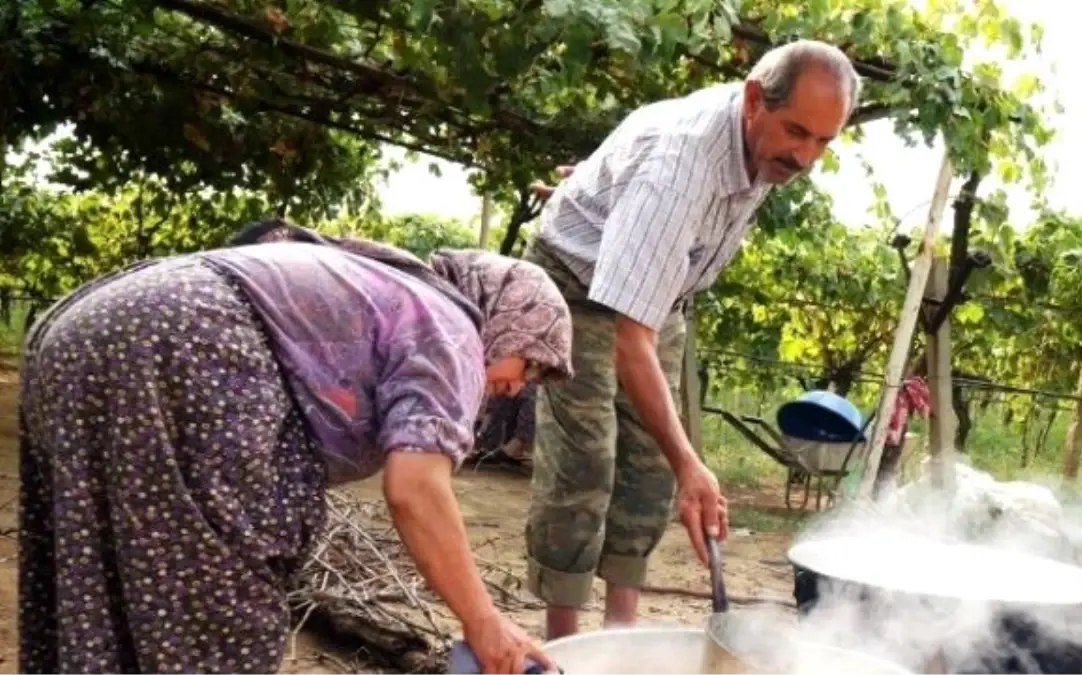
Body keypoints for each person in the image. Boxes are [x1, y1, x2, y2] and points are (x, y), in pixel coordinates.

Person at [18, 220, 573, 675]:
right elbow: (415, 488)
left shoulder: (386, 285)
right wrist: (483, 620)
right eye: (530, 361)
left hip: (78, 328)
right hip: (182, 344)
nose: (519, 386)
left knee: (101, 574)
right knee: (221, 606)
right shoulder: (450, 329)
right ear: (510, 318)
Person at [522, 39, 860, 638]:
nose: (806, 156)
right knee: (586, 462)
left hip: (657, 295)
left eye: (823, 142)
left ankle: (623, 637)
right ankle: (568, 646)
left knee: (650, 462)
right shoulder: (681, 163)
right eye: (797, 133)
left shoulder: (764, 146)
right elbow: (631, 341)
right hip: (573, 285)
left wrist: (677, 462)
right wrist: (693, 466)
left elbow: (648, 307)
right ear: (755, 99)